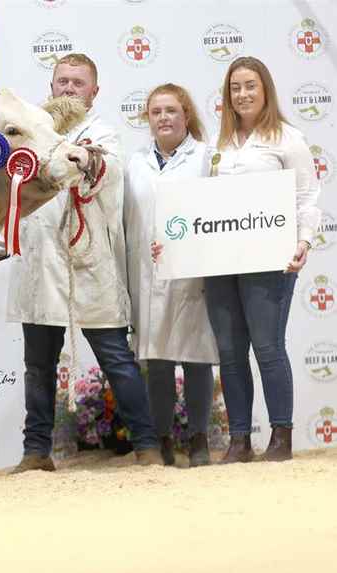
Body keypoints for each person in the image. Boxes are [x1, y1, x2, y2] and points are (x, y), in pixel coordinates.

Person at [0, 53, 161, 471]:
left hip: (90, 262)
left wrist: (86, 158)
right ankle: (35, 452)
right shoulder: (29, 133)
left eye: (78, 83)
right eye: (62, 81)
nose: (68, 89)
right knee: (38, 367)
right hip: (39, 265)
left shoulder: (103, 133)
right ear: (51, 86)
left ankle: (148, 445)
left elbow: (108, 170)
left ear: (94, 92)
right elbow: (19, 202)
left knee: (116, 358)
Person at [154, 57, 320, 463]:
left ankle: (281, 437)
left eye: (250, 86)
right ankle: (239, 441)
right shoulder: (218, 147)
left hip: (270, 262)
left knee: (267, 347)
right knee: (229, 351)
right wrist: (172, 243)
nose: (242, 94)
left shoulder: (288, 139)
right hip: (222, 261)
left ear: (266, 91)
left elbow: (306, 199)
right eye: (235, 88)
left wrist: (304, 241)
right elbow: (200, 209)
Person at [124, 84, 219, 467]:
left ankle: (199, 439)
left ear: (187, 116)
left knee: (197, 355)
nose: (163, 117)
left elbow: (217, 217)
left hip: (193, 275)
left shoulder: (206, 159)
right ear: (148, 119)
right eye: (156, 112)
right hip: (146, 275)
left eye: (171, 110)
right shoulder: (133, 164)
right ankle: (161, 438)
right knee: (157, 359)